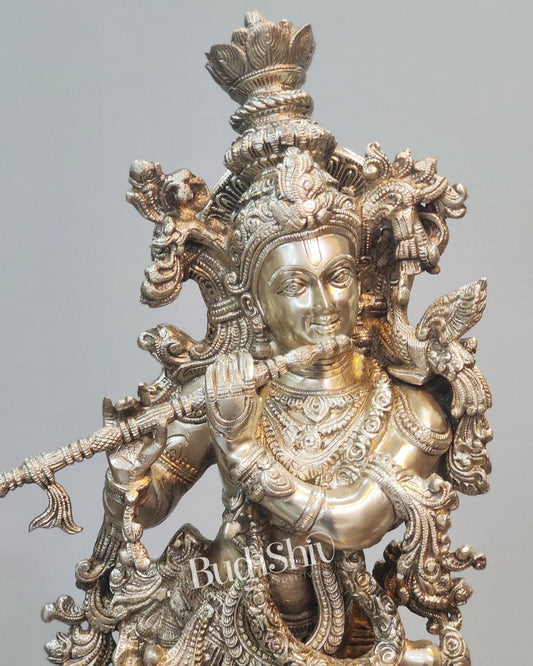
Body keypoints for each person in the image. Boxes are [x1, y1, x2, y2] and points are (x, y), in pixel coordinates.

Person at [42, 12, 491, 666]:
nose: (323, 304)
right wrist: (127, 485)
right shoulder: (234, 387)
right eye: (295, 285)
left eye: (337, 276)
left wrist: (245, 448)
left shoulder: (406, 408)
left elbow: (357, 519)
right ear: (256, 304)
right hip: (221, 618)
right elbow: (157, 498)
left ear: (362, 280)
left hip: (343, 632)